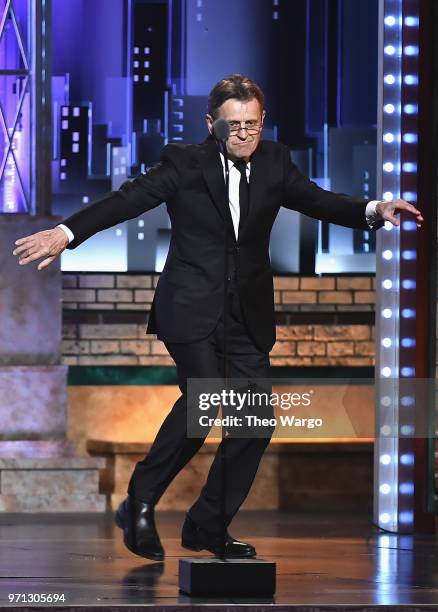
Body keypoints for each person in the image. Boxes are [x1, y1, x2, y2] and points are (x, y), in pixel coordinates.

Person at [12, 74, 423, 561]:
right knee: (205, 399)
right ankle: (141, 499)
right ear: (213, 124)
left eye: (252, 124)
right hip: (189, 307)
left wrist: (376, 208)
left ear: (262, 121)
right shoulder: (183, 163)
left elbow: (318, 200)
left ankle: (208, 524)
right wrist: (66, 232)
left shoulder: (274, 161)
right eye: (233, 126)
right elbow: (126, 201)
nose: (244, 134)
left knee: (254, 423)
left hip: (245, 314)